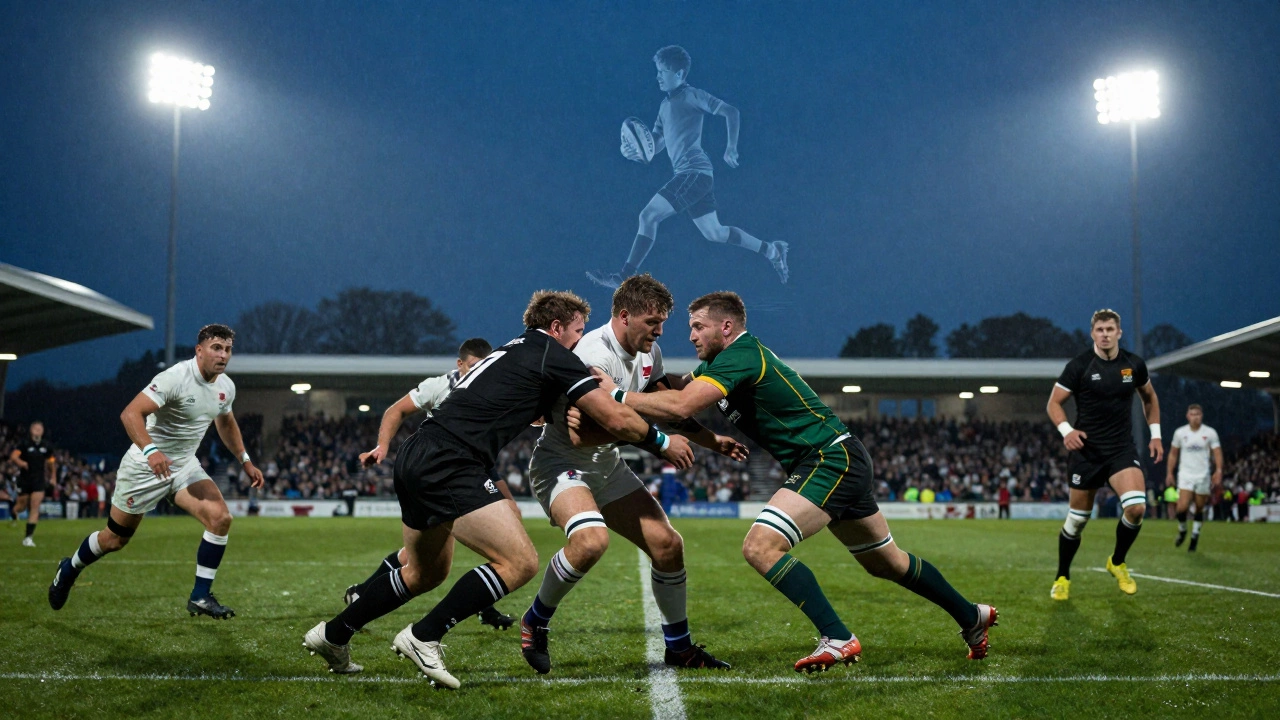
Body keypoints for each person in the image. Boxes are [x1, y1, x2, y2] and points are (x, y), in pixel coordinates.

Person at [588, 291, 996, 672]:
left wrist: (616, 394)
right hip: (840, 456)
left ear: (726, 327)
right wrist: (648, 378)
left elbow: (680, 405)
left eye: (698, 326)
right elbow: (676, 390)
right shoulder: (720, 363)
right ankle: (971, 615)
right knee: (886, 562)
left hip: (827, 459)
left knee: (760, 546)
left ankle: (837, 637)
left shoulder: (740, 355)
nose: (691, 335)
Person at [302, 290, 666, 689]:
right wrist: (663, 442)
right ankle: (424, 636)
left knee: (425, 572)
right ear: (556, 328)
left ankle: (333, 634)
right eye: (578, 331)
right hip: (452, 461)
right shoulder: (553, 353)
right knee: (520, 562)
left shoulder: (515, 349)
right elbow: (614, 417)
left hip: (418, 452)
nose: (581, 341)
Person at [523, 275, 744, 674]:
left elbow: (665, 406)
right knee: (590, 542)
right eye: (652, 322)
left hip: (607, 464)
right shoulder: (593, 353)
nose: (659, 331)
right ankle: (535, 620)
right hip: (562, 463)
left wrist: (713, 441)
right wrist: (661, 443)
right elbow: (584, 433)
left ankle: (679, 649)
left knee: (668, 545)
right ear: (624, 316)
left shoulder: (648, 352)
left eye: (662, 323)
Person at [48, 325, 265, 618]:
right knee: (114, 540)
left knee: (220, 518)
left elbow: (225, 422)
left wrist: (245, 460)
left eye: (227, 349)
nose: (223, 355)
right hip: (144, 468)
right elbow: (130, 413)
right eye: (216, 348)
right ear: (199, 350)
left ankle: (200, 596)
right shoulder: (175, 378)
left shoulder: (226, 386)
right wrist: (151, 451)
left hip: (184, 466)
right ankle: (69, 568)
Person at [344, 337, 515, 631]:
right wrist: (382, 446)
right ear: (459, 364)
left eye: (484, 366)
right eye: (473, 366)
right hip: (443, 467)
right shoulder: (440, 386)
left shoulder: (491, 384)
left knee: (507, 517)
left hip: (476, 463)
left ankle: (360, 594)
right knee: (443, 553)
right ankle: (479, 608)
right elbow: (396, 410)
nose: (478, 371)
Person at [587, 45, 789, 289]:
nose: (657, 77)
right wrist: (633, 152)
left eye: (662, 72)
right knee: (715, 233)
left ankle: (624, 276)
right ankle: (772, 251)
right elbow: (655, 144)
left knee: (648, 216)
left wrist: (731, 147)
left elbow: (731, 112)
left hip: (693, 172)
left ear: (680, 74)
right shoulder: (664, 106)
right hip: (695, 176)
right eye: (657, 71)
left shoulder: (693, 95)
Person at [1046, 309, 1162, 601]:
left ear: (1119, 332)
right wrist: (1067, 431)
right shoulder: (1080, 366)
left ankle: (1117, 562)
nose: (1105, 334)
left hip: (1121, 449)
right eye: (1100, 329)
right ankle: (1062, 576)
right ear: (1092, 333)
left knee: (1136, 508)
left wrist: (1156, 435)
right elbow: (1054, 403)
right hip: (1086, 452)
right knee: (1077, 521)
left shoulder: (1133, 364)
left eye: (1110, 329)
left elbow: (1149, 397)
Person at [1166, 405, 1222, 552]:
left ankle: (1195, 536)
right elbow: (1173, 453)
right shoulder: (1180, 433)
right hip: (1186, 475)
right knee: (1182, 507)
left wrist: (1218, 470)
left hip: (1203, 475)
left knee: (1199, 507)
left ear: (1201, 415)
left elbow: (1217, 452)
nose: (1195, 417)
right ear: (1187, 416)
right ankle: (1183, 529)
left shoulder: (1209, 433)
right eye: (1192, 414)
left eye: (1197, 414)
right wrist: (1169, 473)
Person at [9, 421, 56, 546]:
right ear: (31, 430)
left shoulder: (46, 446)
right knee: (22, 506)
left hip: (39, 480)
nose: (38, 430)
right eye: (35, 428)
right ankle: (13, 513)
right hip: (25, 479)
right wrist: (21, 463)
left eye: (40, 428)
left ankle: (28, 538)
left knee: (35, 507)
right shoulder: (24, 444)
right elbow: (14, 456)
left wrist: (53, 477)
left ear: (43, 431)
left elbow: (51, 462)